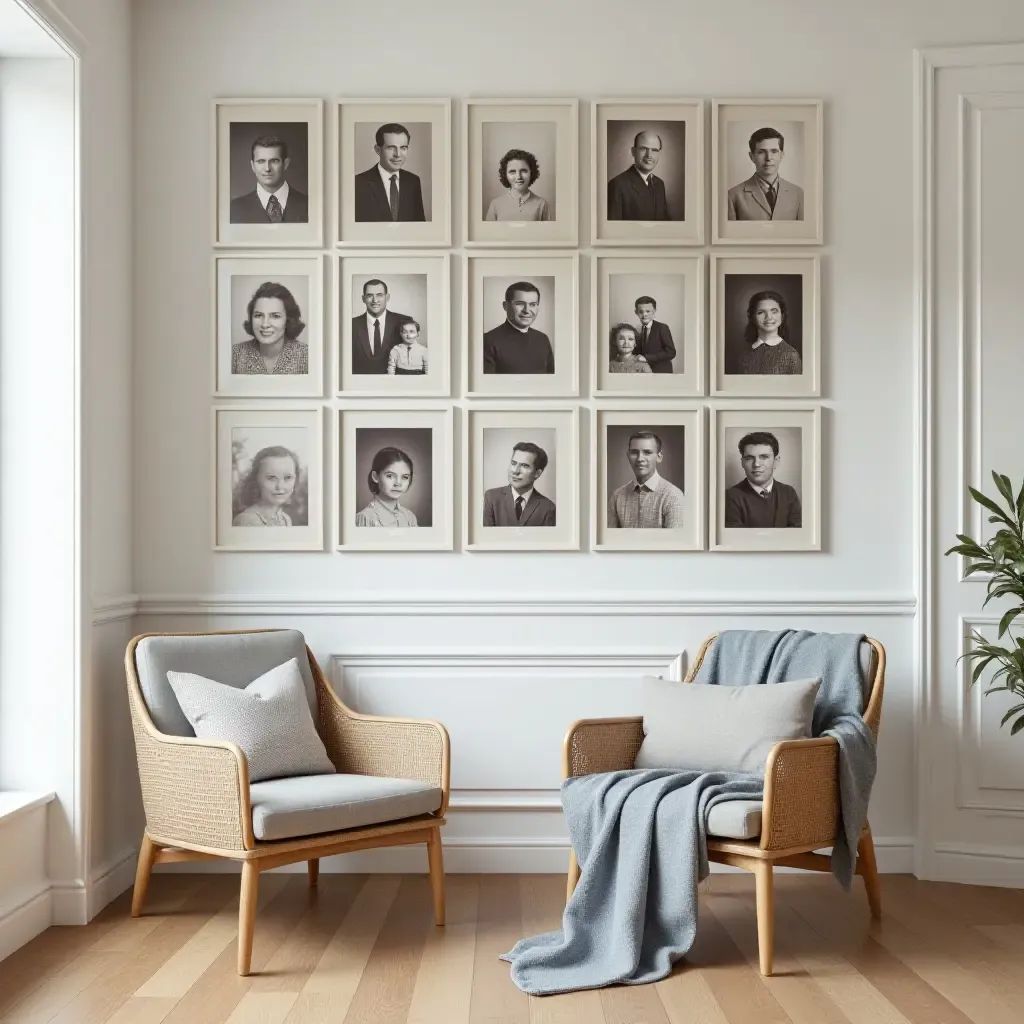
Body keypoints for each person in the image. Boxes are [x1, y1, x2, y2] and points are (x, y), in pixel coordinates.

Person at [607, 431, 684, 528]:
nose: (640, 458)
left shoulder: (673, 496)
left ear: (659, 457)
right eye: (634, 452)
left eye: (647, 452)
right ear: (628, 456)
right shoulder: (617, 497)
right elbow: (611, 540)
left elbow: (674, 542)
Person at [724, 431, 802, 528]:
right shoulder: (730, 497)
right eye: (749, 458)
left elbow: (798, 538)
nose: (756, 464)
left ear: (776, 461)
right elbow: (737, 540)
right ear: (742, 463)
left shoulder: (789, 493)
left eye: (764, 457)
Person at [231, 282, 309, 375]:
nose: (265, 324)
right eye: (258, 315)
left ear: (288, 319)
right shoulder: (235, 355)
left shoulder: (306, 356)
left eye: (275, 316)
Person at [727, 127, 804, 221]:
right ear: (752, 157)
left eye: (774, 151)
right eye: (761, 152)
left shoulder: (797, 193)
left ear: (782, 155)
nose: (768, 158)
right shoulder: (733, 195)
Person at [353, 123, 426, 222]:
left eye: (403, 147)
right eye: (391, 147)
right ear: (378, 150)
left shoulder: (413, 181)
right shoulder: (358, 184)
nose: (398, 154)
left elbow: (419, 225)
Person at [229, 135, 309, 224]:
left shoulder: (309, 205)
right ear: (253, 166)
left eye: (274, 161)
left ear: (285, 164)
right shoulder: (234, 209)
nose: (267, 168)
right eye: (260, 161)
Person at [483, 282, 555, 374]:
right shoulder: (488, 341)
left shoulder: (543, 339)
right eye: (520, 304)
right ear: (505, 306)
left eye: (532, 304)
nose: (527, 310)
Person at [483, 442, 556, 527]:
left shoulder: (548, 508)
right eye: (513, 463)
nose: (516, 471)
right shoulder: (492, 497)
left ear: (537, 473)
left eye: (525, 466)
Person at [351, 279, 413, 375]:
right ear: (363, 299)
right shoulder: (351, 325)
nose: (375, 300)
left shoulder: (404, 322)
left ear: (387, 297)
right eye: (369, 295)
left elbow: (411, 359)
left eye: (379, 295)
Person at [607, 130, 671, 221]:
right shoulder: (617, 185)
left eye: (654, 150)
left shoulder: (659, 184)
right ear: (633, 151)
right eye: (643, 149)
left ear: (659, 154)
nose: (649, 155)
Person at [738, 291, 802, 375]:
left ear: (782, 316)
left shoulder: (791, 355)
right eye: (761, 312)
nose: (768, 317)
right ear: (752, 318)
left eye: (774, 311)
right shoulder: (744, 353)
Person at [233, 446, 299, 527]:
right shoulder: (246, 521)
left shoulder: (286, 519)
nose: (280, 486)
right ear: (256, 479)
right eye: (271, 478)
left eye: (288, 477)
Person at [355, 447, 419, 527]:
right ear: (375, 477)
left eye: (405, 477)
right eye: (390, 476)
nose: (398, 483)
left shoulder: (410, 517)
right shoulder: (365, 517)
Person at [485, 149, 551, 222]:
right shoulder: (495, 204)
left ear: (531, 172)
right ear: (505, 174)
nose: (518, 177)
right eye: (512, 171)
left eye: (524, 171)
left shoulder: (541, 204)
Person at [633, 295, 676, 374]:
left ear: (654, 311)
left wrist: (647, 358)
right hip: (644, 372)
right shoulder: (637, 330)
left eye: (648, 311)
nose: (644, 314)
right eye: (641, 311)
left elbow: (671, 352)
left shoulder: (662, 327)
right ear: (636, 312)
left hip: (662, 372)